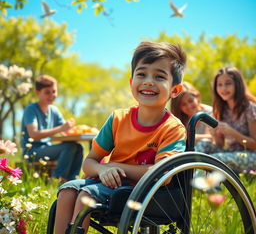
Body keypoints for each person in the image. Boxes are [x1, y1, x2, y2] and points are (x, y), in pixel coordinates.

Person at [54, 41, 187, 234]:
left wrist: (115, 168)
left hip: (145, 192)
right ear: (132, 82)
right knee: (66, 192)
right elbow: (89, 161)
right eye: (141, 74)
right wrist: (101, 169)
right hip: (107, 182)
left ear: (175, 90)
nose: (149, 81)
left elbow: (162, 175)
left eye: (159, 76)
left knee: (85, 197)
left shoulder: (172, 128)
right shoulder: (118, 119)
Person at [21, 75, 83, 181]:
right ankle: (56, 180)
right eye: (47, 92)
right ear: (38, 93)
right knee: (68, 147)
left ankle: (73, 181)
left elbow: (66, 131)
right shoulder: (31, 110)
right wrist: (61, 128)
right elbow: (34, 134)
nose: (52, 95)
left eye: (54, 91)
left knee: (78, 147)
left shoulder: (54, 110)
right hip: (32, 151)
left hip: (48, 149)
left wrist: (76, 129)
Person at [196, 65, 256, 173]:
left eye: (228, 83)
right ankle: (191, 182)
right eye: (219, 85)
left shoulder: (250, 108)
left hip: (251, 156)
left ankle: (204, 186)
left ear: (237, 85)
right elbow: (220, 144)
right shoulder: (221, 110)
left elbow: (254, 145)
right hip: (229, 153)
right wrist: (214, 134)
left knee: (214, 159)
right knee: (204, 143)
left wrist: (232, 132)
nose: (223, 88)